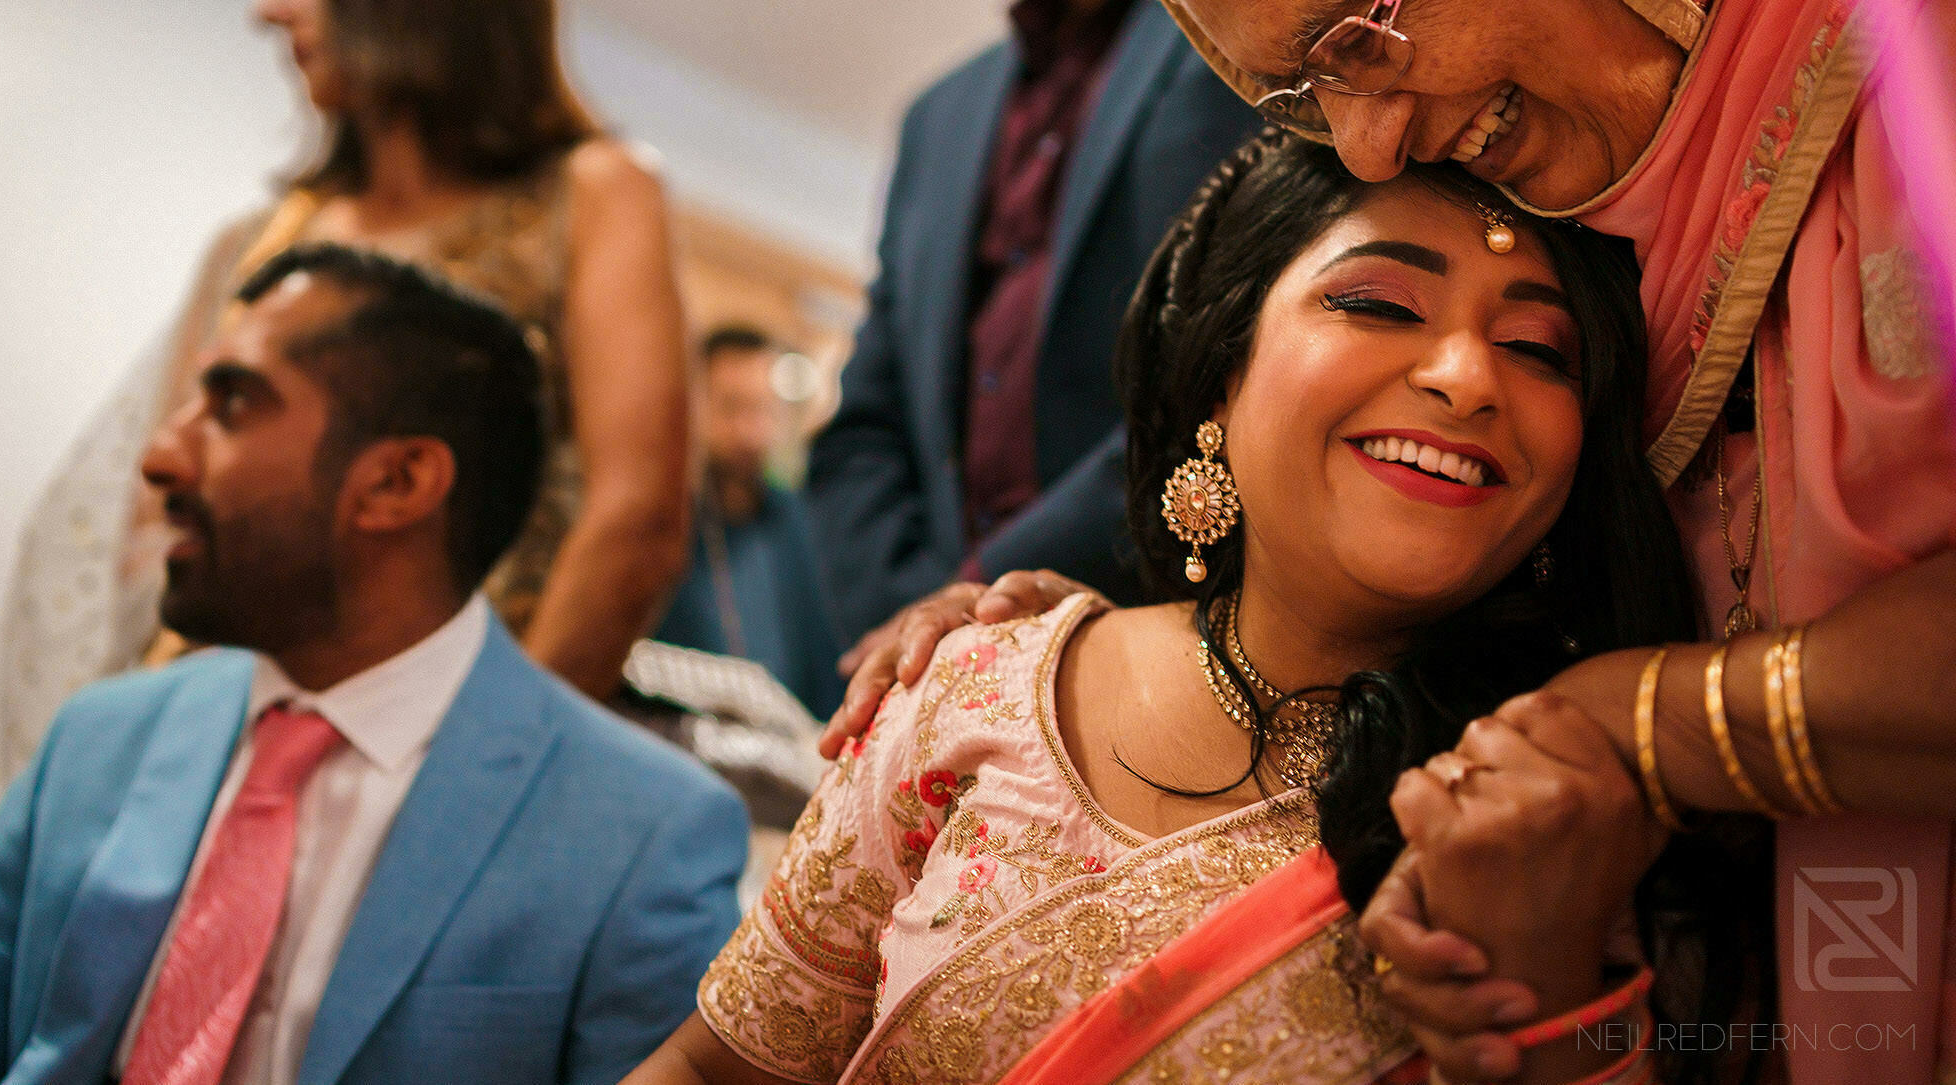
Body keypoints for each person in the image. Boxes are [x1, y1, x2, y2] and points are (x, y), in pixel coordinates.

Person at [830, 0, 1956, 1080]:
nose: (1369, 150)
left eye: (1356, 36)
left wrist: (1632, 725)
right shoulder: (1623, 209)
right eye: (1302, 98)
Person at [626, 136, 1746, 1085]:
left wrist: (1544, 983)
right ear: (1220, 370)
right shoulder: (981, 684)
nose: (1464, 376)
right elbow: (711, 1067)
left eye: (1534, 349)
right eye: (1375, 302)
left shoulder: (1571, 805)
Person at [0, 245, 745, 1085]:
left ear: (396, 481)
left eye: (229, 405)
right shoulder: (98, 736)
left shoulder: (641, 833)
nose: (161, 456)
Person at [0, 0, 688, 775]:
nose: (267, 5)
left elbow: (633, 513)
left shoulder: (593, 194)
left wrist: (484, 771)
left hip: (454, 737)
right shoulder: (263, 239)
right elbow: (167, 494)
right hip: (214, 736)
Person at [803, 0, 1260, 648]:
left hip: (1183, 661)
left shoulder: (1257, 16)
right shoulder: (941, 117)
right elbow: (865, 428)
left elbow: (1237, 368)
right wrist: (911, 626)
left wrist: (977, 600)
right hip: (928, 682)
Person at [655, 326, 845, 717]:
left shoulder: (800, 524)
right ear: (694, 406)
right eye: (732, 407)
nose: (750, 431)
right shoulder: (664, 524)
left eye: (763, 410)